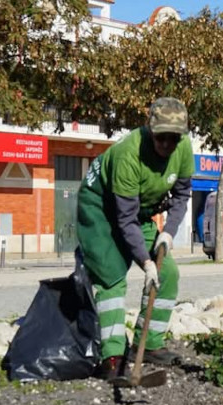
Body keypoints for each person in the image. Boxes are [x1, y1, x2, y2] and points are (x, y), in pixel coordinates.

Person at [76, 97, 193, 385]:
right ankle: (113, 358)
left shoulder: (184, 149)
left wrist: (168, 233)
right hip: (101, 209)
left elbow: (181, 197)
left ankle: (150, 344)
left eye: (173, 138)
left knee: (167, 273)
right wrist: (144, 260)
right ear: (150, 129)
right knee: (111, 276)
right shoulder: (129, 154)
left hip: (138, 210)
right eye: (161, 137)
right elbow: (124, 220)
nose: (167, 144)